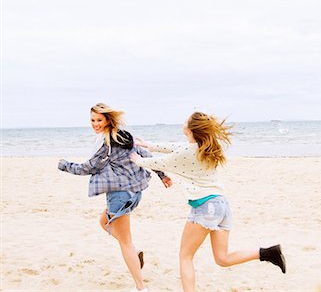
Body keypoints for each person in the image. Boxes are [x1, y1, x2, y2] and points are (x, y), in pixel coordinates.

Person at [130, 111, 286, 292]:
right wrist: (148, 144)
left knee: (185, 256)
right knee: (222, 258)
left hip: (205, 208)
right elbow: (173, 147)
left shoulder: (187, 151)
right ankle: (267, 253)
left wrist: (138, 160)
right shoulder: (207, 147)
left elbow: (162, 162)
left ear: (189, 129)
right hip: (222, 206)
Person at [58, 103, 172, 292]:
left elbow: (88, 168)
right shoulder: (125, 136)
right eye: (92, 120)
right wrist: (162, 175)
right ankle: (135, 254)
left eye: (99, 120)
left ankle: (141, 287)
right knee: (104, 223)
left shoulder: (107, 143)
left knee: (124, 242)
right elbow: (146, 155)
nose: (95, 124)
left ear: (108, 120)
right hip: (134, 193)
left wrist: (64, 165)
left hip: (120, 195)